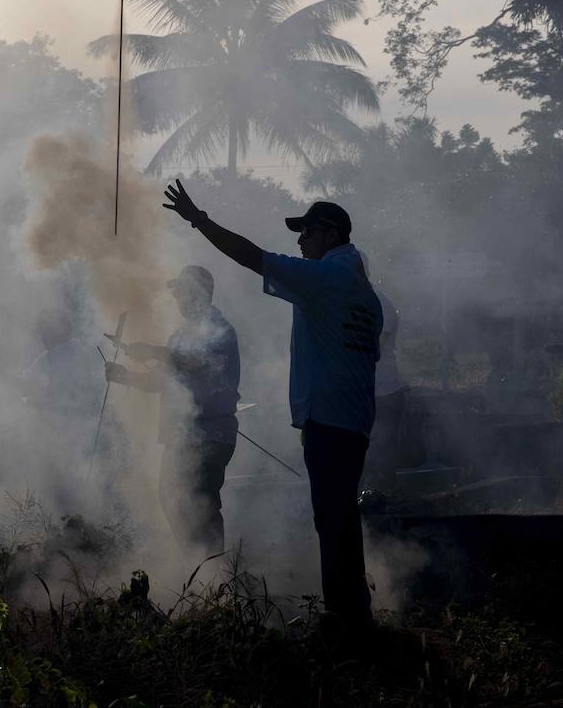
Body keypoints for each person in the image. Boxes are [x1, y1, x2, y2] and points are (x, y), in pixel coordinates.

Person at [161, 180, 383, 634]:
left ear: (330, 235)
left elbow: (251, 256)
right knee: (340, 514)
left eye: (306, 233)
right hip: (354, 418)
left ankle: (344, 619)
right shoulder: (366, 294)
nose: (300, 242)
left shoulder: (326, 278)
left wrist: (198, 220)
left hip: (328, 419)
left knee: (332, 516)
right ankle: (352, 610)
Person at [105, 265, 240, 557]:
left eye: (184, 292)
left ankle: (212, 572)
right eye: (178, 293)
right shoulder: (180, 335)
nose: (179, 299)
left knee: (200, 502)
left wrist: (152, 351)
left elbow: (197, 362)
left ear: (201, 294)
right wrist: (124, 375)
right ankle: (199, 564)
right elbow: (164, 379)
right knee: (173, 498)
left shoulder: (219, 328)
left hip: (210, 433)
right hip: (184, 436)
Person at [360, 256, 406, 494]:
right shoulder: (353, 300)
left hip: (382, 393)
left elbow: (373, 347)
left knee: (381, 455)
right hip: (364, 393)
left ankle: (383, 507)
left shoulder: (380, 303)